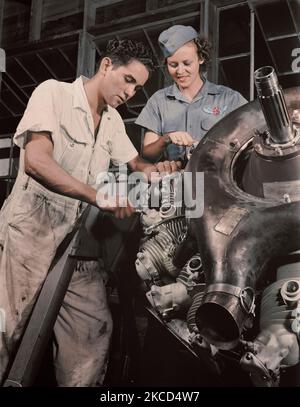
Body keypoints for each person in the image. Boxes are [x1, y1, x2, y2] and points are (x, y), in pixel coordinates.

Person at [0, 39, 180, 387]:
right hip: (29, 232)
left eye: (138, 88)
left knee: (91, 330)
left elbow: (137, 164)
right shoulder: (53, 94)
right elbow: (36, 162)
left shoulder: (111, 120)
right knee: (5, 330)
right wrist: (99, 196)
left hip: (73, 243)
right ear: (107, 65)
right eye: (128, 80)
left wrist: (165, 169)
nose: (131, 92)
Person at [135, 25, 248, 162]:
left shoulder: (229, 99)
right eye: (173, 65)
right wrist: (166, 139)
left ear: (201, 58)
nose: (180, 71)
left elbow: (250, 142)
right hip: (176, 179)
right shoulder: (158, 101)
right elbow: (147, 154)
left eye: (187, 63)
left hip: (217, 179)